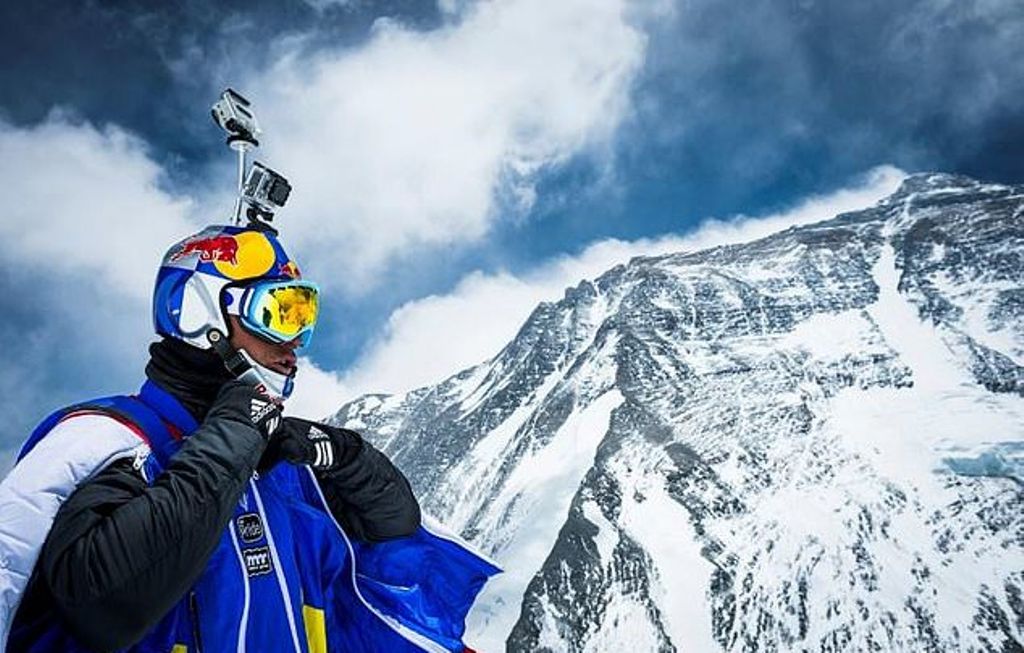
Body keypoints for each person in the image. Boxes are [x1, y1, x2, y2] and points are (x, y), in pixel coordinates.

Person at [0, 223, 498, 653]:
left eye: (305, 318)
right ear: (202, 318)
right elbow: (103, 603)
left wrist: (348, 456)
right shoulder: (113, 443)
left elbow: (393, 533)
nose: (295, 347)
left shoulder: (275, 468)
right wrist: (234, 433)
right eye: (279, 315)